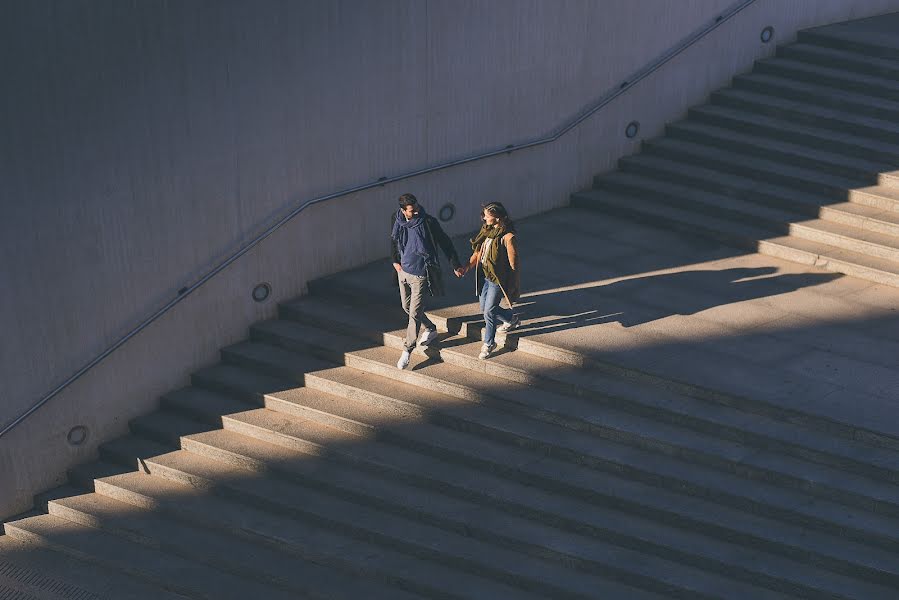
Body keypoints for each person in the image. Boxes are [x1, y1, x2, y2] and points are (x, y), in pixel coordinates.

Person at [390, 193, 464, 370]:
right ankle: (430, 328)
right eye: (411, 210)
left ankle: (407, 350)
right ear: (403, 211)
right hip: (404, 271)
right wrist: (395, 262)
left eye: (416, 208)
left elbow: (445, 242)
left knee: (414, 313)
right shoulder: (397, 219)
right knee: (406, 307)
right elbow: (393, 241)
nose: (416, 212)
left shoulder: (428, 222)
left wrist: (456, 264)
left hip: (421, 274)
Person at [459, 202, 520, 360]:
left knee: (489, 311)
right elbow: (478, 253)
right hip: (484, 276)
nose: (484, 217)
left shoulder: (508, 237)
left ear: (498, 218)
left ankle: (489, 343)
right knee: (484, 308)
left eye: (487, 215)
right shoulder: (486, 231)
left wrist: (513, 285)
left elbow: (514, 265)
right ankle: (510, 318)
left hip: (497, 279)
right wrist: (466, 267)